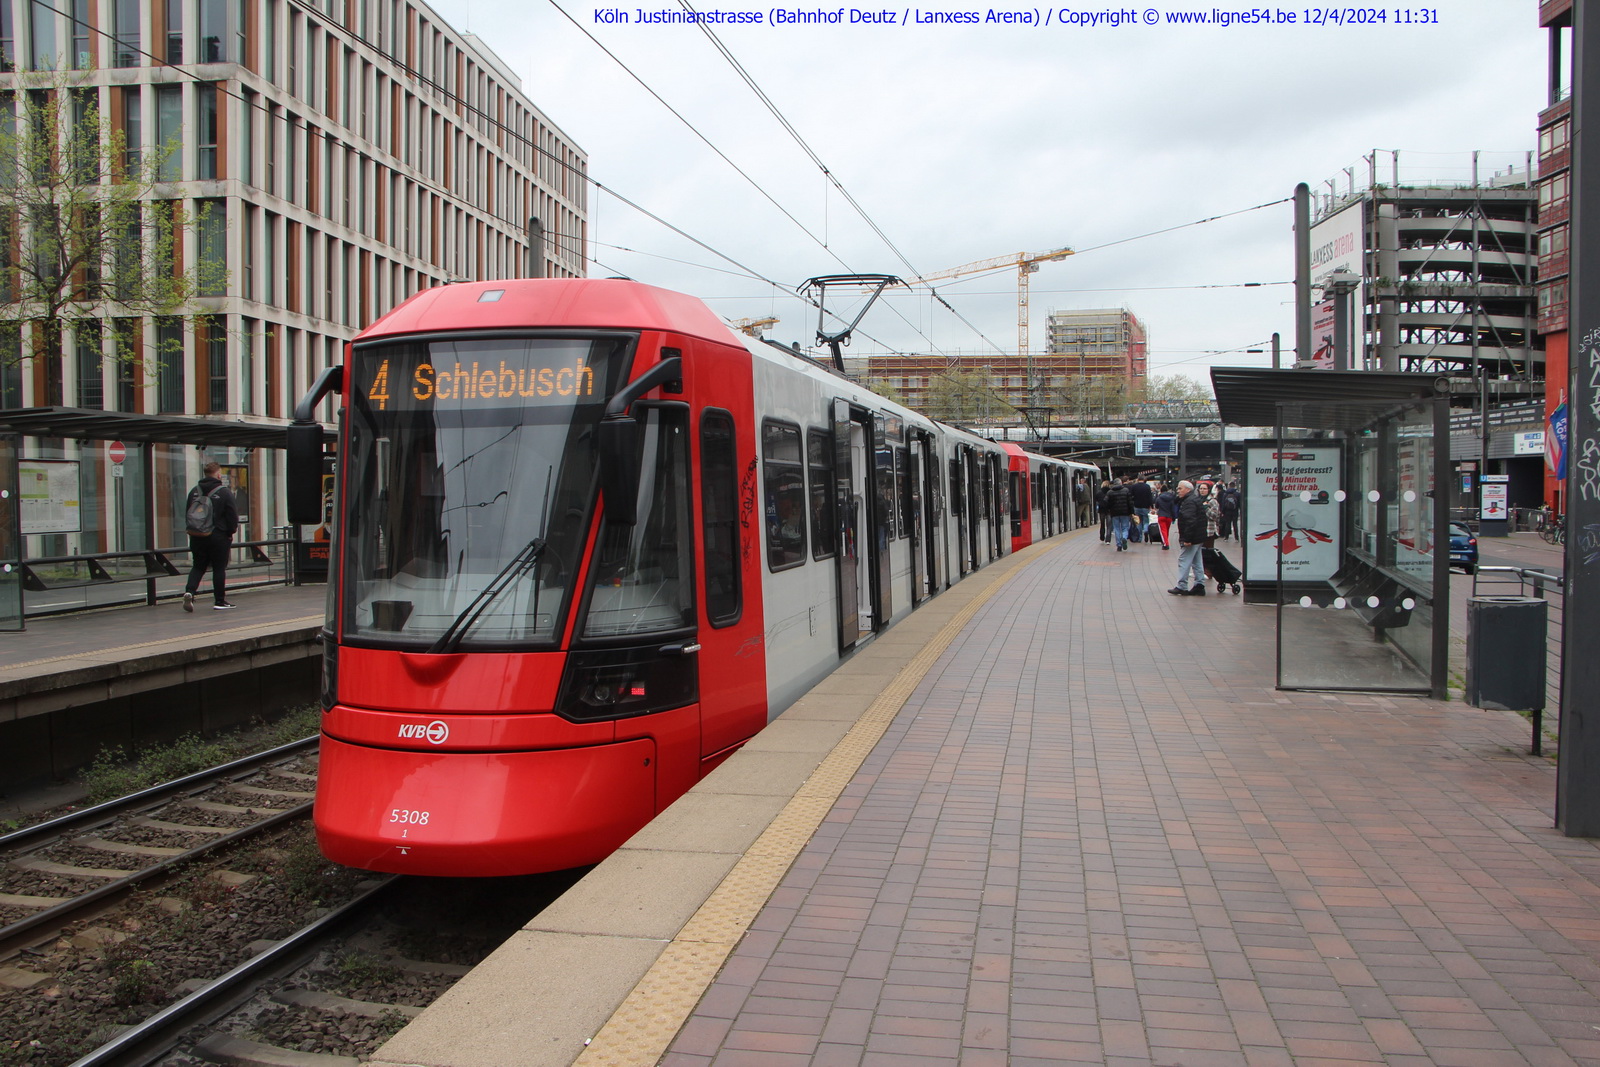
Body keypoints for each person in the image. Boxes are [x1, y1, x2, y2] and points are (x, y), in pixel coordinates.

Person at [182, 461, 240, 611]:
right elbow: (232, 516)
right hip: (218, 536)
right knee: (219, 568)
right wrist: (230, 532)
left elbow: (188, 513)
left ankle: (190, 592)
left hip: (197, 535)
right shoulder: (224, 492)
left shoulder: (194, 491)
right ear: (218, 474)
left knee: (198, 566)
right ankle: (219, 601)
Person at [1169, 480, 1208, 595]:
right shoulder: (1194, 499)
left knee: (1184, 559)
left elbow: (1190, 521)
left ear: (1188, 489)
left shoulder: (1189, 502)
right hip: (1199, 536)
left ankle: (1182, 586)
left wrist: (1187, 539)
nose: (1178, 491)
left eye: (1180, 488)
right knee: (1197, 561)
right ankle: (1199, 584)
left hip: (1193, 537)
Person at [1103, 476, 1135, 551]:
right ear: (1121, 483)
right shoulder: (1126, 490)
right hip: (1125, 513)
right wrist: (1132, 512)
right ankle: (1124, 537)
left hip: (1114, 513)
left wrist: (1109, 509)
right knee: (1125, 527)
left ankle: (1119, 545)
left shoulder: (1110, 492)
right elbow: (1130, 502)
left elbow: (1105, 502)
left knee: (1116, 528)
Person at [1127, 476, 1154, 545]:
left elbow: (1131, 496)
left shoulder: (1134, 486)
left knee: (1138, 522)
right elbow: (1150, 497)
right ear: (1144, 479)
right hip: (1145, 507)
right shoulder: (1147, 486)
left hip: (1137, 506)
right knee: (1146, 521)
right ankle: (1146, 530)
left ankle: (1139, 538)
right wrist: (1152, 506)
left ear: (1138, 479)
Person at [1154, 481, 1177, 550]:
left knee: (1163, 530)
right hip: (1169, 516)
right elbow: (1173, 509)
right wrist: (1173, 518)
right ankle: (1165, 541)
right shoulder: (1171, 498)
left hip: (1161, 515)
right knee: (1167, 530)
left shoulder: (1159, 497)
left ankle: (1166, 544)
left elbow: (1156, 506)